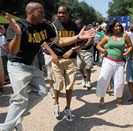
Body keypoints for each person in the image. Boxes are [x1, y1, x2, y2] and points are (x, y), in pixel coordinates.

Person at [0, 2, 94, 131]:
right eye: (41, 12)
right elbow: (13, 51)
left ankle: (16, 116)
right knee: (20, 98)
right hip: (17, 65)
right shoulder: (18, 25)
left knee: (42, 92)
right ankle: (6, 128)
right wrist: (18, 35)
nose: (44, 15)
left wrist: (77, 37)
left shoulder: (45, 26)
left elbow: (59, 41)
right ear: (31, 12)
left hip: (30, 64)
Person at [50, 4, 90, 122]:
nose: (60, 15)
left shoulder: (75, 26)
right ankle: (56, 104)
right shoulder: (53, 26)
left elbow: (83, 43)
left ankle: (68, 108)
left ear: (68, 13)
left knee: (70, 85)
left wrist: (72, 49)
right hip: (57, 59)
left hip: (71, 59)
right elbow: (46, 42)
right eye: (59, 13)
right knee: (57, 85)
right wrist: (52, 54)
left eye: (63, 12)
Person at [96, 20, 132, 108]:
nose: (118, 27)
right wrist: (102, 50)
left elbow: (130, 45)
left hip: (120, 62)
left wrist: (126, 53)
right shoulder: (108, 37)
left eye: (119, 26)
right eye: (116, 26)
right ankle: (102, 98)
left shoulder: (125, 35)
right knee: (103, 79)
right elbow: (98, 45)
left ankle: (118, 97)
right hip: (108, 60)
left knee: (120, 81)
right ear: (112, 27)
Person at [43, 14, 59, 98]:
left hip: (58, 54)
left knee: (57, 72)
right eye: (57, 20)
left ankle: (56, 87)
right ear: (52, 21)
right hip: (48, 54)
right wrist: (52, 53)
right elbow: (44, 42)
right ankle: (51, 87)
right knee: (50, 72)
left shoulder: (61, 29)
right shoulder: (47, 28)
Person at [75, 19, 93, 89]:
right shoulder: (75, 30)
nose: (77, 25)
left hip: (87, 50)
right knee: (79, 67)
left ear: (82, 24)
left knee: (88, 66)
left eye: (78, 24)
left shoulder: (88, 29)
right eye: (76, 24)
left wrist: (84, 45)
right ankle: (84, 77)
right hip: (78, 51)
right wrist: (76, 49)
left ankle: (88, 80)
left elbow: (90, 39)